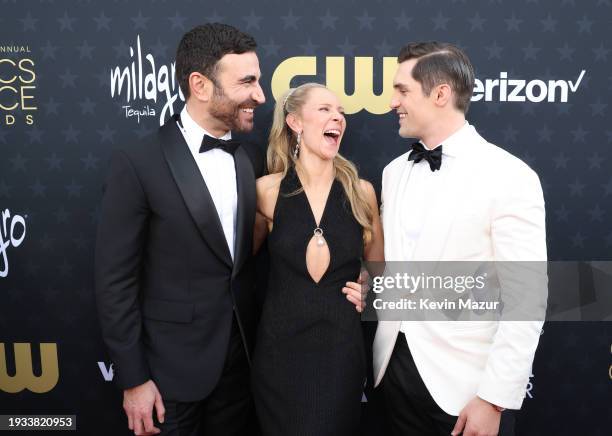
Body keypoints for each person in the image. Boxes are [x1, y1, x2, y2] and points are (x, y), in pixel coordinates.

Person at [94, 23, 265, 436]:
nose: (260, 96)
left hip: (240, 371)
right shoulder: (138, 162)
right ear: (200, 85)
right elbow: (115, 280)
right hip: (167, 376)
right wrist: (134, 379)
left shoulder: (252, 159)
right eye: (247, 82)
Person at [373, 42, 547, 436]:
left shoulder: (510, 176)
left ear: (440, 94)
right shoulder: (393, 172)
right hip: (391, 373)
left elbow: (527, 299)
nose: (391, 102)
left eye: (402, 90)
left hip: (466, 390)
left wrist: (493, 398)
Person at [251, 82, 384, 435]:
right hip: (279, 353)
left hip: (340, 354)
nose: (337, 117)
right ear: (295, 122)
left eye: (340, 112)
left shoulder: (362, 192)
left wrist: (367, 289)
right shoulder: (266, 191)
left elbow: (378, 269)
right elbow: (238, 269)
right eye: (325, 109)